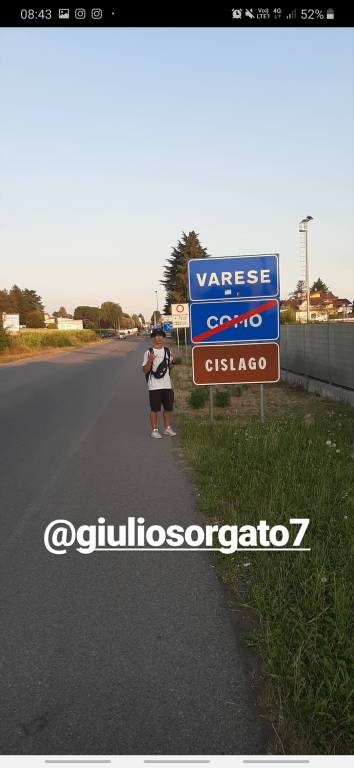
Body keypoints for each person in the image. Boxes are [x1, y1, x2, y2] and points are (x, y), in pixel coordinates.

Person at [142, 328, 177, 439]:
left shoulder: (168, 351)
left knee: (168, 408)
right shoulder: (148, 352)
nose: (159, 338)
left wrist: (173, 361)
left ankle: (166, 428)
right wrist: (150, 360)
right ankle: (155, 430)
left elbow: (169, 367)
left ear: (163, 337)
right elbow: (145, 370)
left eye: (161, 335)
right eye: (156, 335)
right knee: (154, 409)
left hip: (167, 384)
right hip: (154, 386)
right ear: (153, 337)